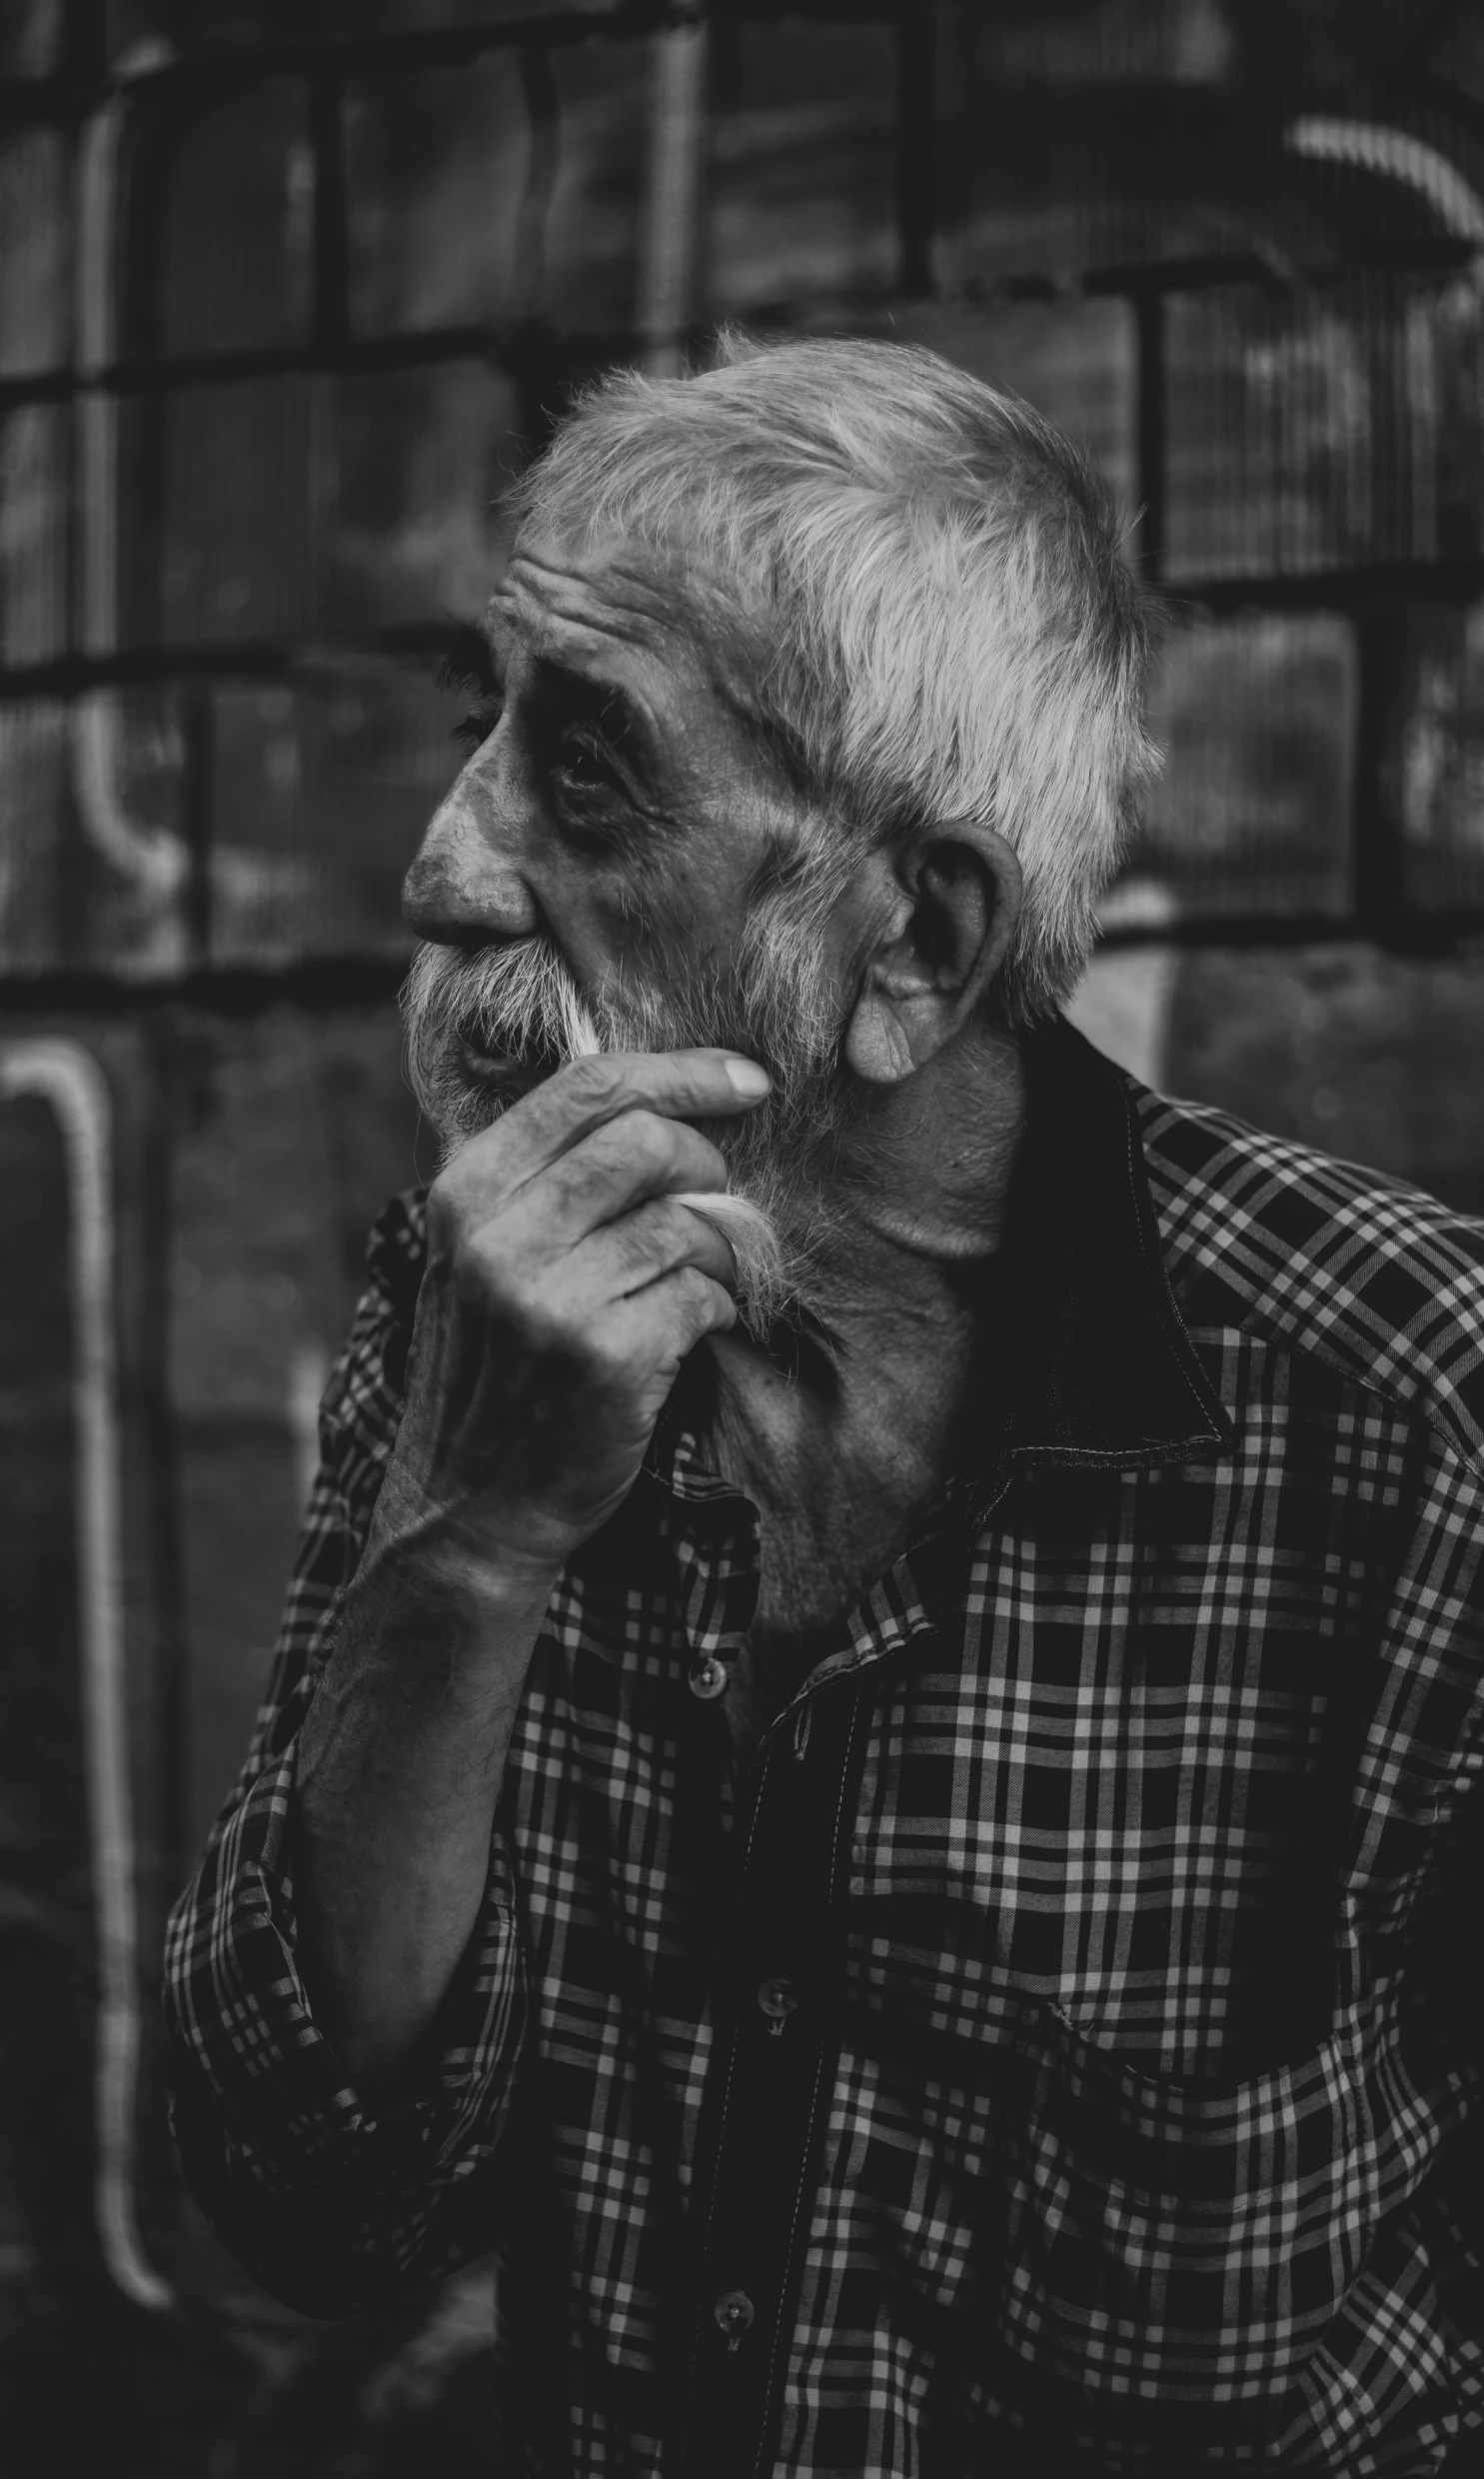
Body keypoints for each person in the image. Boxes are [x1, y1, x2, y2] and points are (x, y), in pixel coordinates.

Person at [164, 335, 1484, 2479]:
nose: (445, 861)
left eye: (584, 773)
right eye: (477, 723)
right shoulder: (480, 1316)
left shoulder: (1418, 1433)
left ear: (911, 942)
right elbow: (303, 2188)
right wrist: (468, 1545)